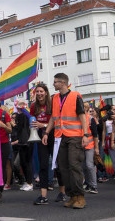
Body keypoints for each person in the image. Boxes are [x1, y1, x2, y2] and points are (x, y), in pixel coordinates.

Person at [43, 73, 89, 209]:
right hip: (60, 137)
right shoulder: (55, 98)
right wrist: (46, 132)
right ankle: (72, 196)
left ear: (63, 83)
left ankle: (80, 197)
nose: (53, 84)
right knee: (63, 167)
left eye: (55, 82)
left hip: (74, 136)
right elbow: (53, 117)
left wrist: (85, 134)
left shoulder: (75, 96)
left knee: (74, 166)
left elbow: (82, 116)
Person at [30, 83, 66, 205]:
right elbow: (33, 121)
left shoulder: (52, 104)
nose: (39, 94)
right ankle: (43, 196)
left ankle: (62, 192)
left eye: (41, 91)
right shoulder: (34, 106)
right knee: (43, 165)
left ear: (46, 92)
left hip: (54, 136)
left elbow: (57, 122)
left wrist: (44, 125)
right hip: (41, 138)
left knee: (58, 165)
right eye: (37, 92)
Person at [83, 106, 99, 194]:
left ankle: (94, 185)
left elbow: (95, 135)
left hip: (90, 145)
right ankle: (88, 184)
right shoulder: (77, 119)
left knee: (89, 165)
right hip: (80, 145)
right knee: (83, 166)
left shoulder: (90, 119)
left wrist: (96, 148)